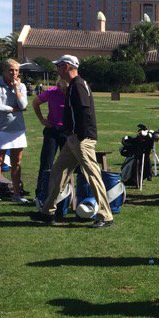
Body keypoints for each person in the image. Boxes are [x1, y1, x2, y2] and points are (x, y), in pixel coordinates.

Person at [31, 55, 114, 229]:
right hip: (74, 138)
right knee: (58, 171)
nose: (57, 69)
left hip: (81, 139)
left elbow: (84, 112)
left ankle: (106, 215)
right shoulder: (73, 86)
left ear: (68, 66)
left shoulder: (77, 85)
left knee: (93, 175)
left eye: (59, 66)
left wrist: (80, 135)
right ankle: (48, 212)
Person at [0, 59, 29, 204]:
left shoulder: (22, 86)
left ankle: (16, 194)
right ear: (4, 70)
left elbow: (23, 104)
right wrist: (13, 109)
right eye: (11, 70)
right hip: (2, 128)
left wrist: (17, 89)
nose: (14, 73)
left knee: (16, 162)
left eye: (17, 70)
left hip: (17, 129)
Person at [32, 78, 68, 207]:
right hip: (52, 130)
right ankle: (40, 194)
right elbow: (35, 102)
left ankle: (65, 196)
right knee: (46, 163)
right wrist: (42, 119)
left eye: (67, 88)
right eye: (63, 88)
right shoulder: (52, 92)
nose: (65, 90)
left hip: (67, 133)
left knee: (68, 166)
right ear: (59, 84)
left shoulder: (74, 93)